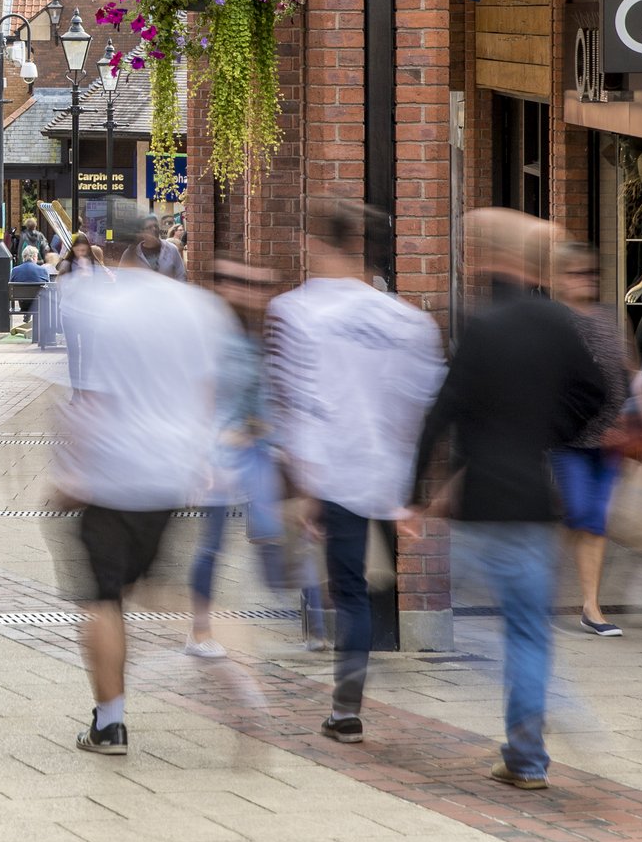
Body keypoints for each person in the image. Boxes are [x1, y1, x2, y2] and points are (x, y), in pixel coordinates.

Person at [409, 209, 609, 791]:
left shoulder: (481, 325)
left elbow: (441, 413)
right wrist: (552, 432)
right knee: (526, 630)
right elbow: (596, 393)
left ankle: (548, 722)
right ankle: (527, 754)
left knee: (477, 635)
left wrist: (412, 497)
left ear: (485, 258)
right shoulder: (555, 320)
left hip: (482, 505)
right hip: (533, 500)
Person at [269, 197, 445, 745]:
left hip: (332, 473)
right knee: (360, 591)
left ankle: (347, 707)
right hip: (386, 473)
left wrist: (302, 487)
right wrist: (413, 489)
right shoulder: (407, 320)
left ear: (315, 245)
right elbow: (424, 399)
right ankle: (346, 701)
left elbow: (292, 405)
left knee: (346, 590)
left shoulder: (294, 312)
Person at [52, 254, 233, 754]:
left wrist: (72, 473)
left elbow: (88, 398)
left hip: (111, 475)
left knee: (102, 599)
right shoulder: (198, 307)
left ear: (118, 258)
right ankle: (233, 652)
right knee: (149, 586)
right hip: (168, 478)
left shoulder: (100, 306)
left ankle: (110, 724)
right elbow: (208, 393)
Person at [186, 259, 314, 657]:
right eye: (242, 284)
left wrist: (274, 439)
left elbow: (267, 400)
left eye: (260, 285)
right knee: (213, 544)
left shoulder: (260, 334)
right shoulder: (211, 334)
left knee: (290, 530)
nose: (253, 293)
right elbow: (195, 395)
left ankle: (318, 624)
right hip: (218, 453)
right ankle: (199, 632)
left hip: (255, 451)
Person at [552, 240, 637, 637]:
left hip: (611, 437)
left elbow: (626, 370)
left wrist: (636, 421)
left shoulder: (607, 317)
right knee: (582, 513)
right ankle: (550, 573)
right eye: (577, 273)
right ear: (559, 280)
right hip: (571, 438)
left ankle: (592, 606)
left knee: (595, 520)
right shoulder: (556, 321)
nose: (586, 280)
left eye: (591, 273)